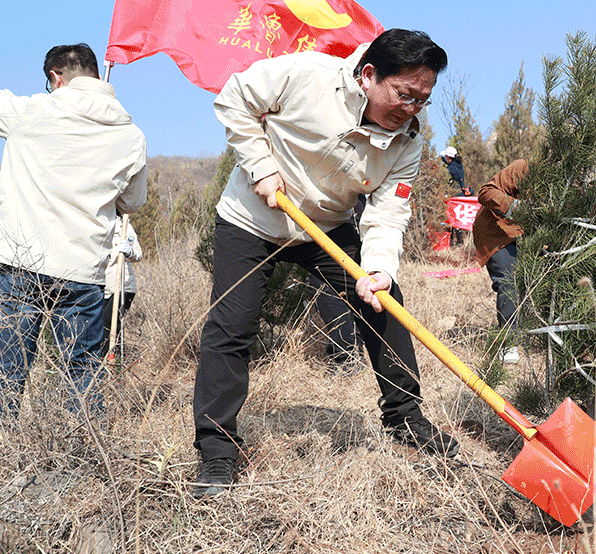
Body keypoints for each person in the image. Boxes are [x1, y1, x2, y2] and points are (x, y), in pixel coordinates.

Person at [193, 29, 457, 498]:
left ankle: (406, 420)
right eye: (404, 94)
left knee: (383, 303)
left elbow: (387, 213)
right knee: (232, 327)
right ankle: (217, 451)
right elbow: (234, 97)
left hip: (326, 226)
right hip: (252, 218)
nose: (411, 109)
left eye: (422, 100)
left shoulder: (406, 142)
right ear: (369, 75)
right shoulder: (307, 74)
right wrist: (260, 166)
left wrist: (379, 269)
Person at [0, 43, 147, 418]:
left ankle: (9, 448)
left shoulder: (33, 112)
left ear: (56, 77)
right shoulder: (131, 135)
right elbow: (133, 202)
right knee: (81, 373)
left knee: (8, 370)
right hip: (83, 270)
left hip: (20, 262)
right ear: (96, 75)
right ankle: (80, 448)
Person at [473, 159, 528, 364]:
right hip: (495, 232)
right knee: (509, 279)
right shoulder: (524, 167)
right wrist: (519, 207)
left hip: (524, 234)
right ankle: (508, 342)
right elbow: (486, 192)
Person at [102, 216, 143, 358]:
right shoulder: (96, 223)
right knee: (98, 325)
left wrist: (129, 251)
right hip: (101, 285)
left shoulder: (123, 227)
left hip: (122, 285)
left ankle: (113, 361)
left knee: (110, 323)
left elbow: (138, 254)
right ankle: (100, 361)